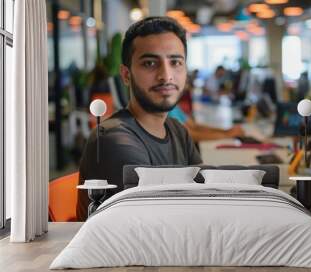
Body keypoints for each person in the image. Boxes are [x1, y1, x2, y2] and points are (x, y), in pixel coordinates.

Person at [77, 17, 202, 221]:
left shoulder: (177, 130)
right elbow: (157, 221)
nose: (166, 75)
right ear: (126, 75)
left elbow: (204, 197)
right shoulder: (112, 139)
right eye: (150, 63)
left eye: (175, 62)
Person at [168, 105, 245, 141]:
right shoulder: (166, 110)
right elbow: (190, 135)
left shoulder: (174, 106)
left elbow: (195, 126)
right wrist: (227, 135)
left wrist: (225, 131)